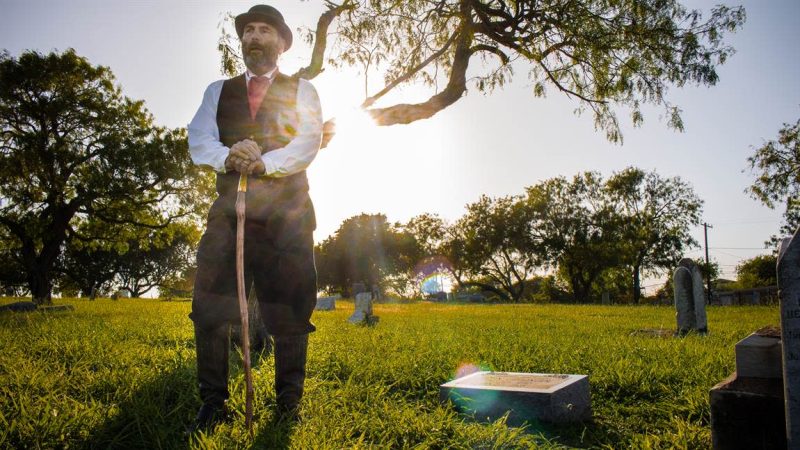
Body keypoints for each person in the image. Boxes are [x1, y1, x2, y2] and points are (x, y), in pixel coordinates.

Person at [186, 4, 322, 432]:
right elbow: (198, 138)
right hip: (229, 215)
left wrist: (265, 161)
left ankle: (288, 404)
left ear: (281, 43)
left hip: (287, 216)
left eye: (265, 31)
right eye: (249, 31)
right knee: (209, 305)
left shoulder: (302, 90)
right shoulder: (217, 91)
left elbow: (308, 140)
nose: (255, 37)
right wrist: (230, 155)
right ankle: (212, 403)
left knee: (291, 309)